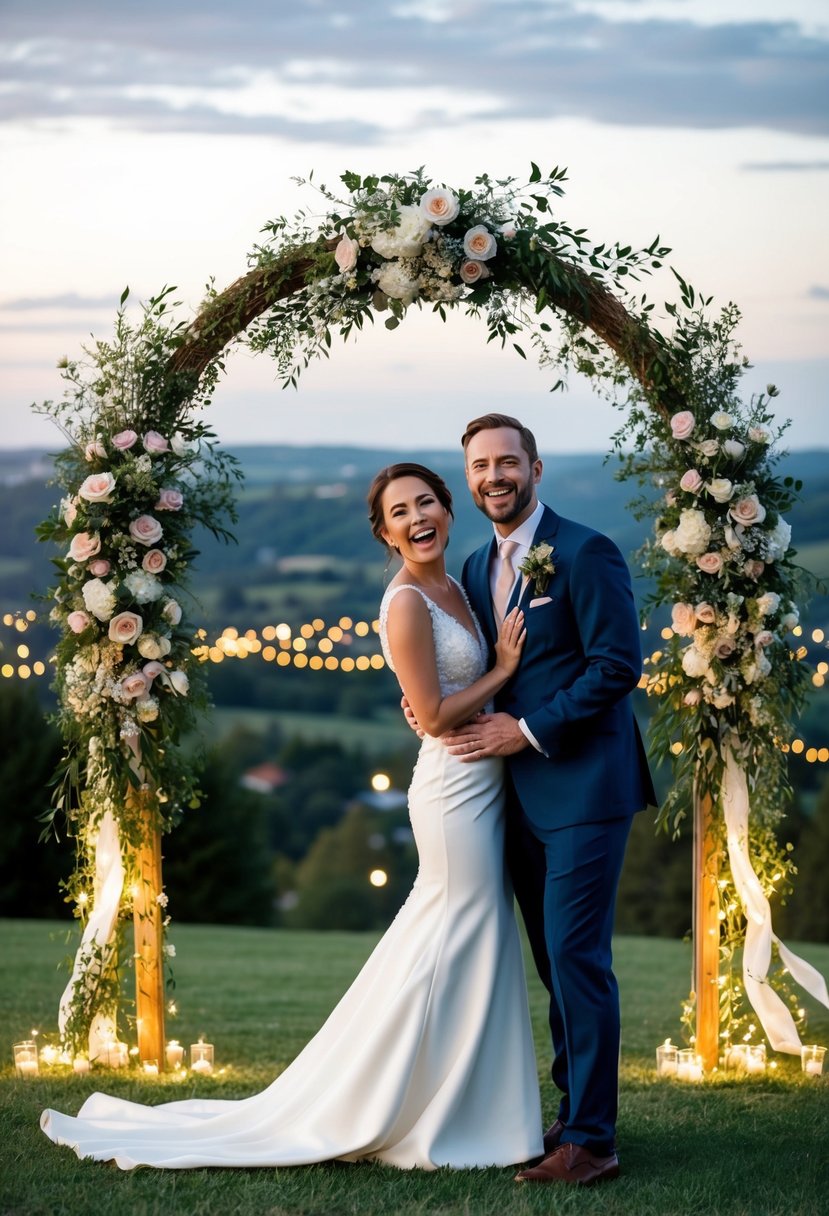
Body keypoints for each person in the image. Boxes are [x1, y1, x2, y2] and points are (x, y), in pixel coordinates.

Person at [40, 462, 544, 1172]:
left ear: (447, 509)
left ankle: (467, 1109)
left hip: (484, 780)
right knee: (454, 935)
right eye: (400, 511)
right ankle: (406, 1110)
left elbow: (434, 697)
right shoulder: (405, 601)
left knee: (473, 939)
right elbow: (430, 715)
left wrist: (483, 687)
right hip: (454, 787)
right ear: (383, 531)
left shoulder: (454, 582)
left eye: (427, 501)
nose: (417, 516)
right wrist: (500, 671)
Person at [410, 414, 656, 1187]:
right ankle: (572, 1113)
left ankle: (593, 1143)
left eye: (507, 462)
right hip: (512, 800)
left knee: (579, 962)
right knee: (554, 965)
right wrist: (431, 707)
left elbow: (618, 668)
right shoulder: (480, 563)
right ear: (469, 480)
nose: (494, 476)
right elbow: (481, 671)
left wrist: (528, 732)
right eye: (480, 466)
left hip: (583, 786)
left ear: (535, 469)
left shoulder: (585, 552)